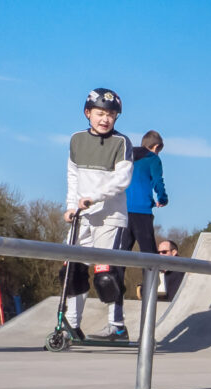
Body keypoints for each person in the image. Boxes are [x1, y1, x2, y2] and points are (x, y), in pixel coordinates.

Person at [63, 87, 134, 342]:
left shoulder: (121, 143)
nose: (105, 119)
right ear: (88, 113)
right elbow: (73, 177)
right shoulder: (76, 140)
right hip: (81, 215)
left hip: (110, 216)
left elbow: (122, 179)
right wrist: (71, 206)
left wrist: (95, 198)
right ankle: (71, 325)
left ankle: (117, 326)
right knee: (73, 271)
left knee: (106, 275)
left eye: (111, 115)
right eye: (100, 113)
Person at [111, 130, 168, 330]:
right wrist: (162, 198)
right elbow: (157, 181)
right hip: (142, 214)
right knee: (150, 260)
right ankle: (153, 298)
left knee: (119, 261)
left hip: (122, 213)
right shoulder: (153, 159)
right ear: (156, 147)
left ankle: (116, 316)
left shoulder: (127, 156)